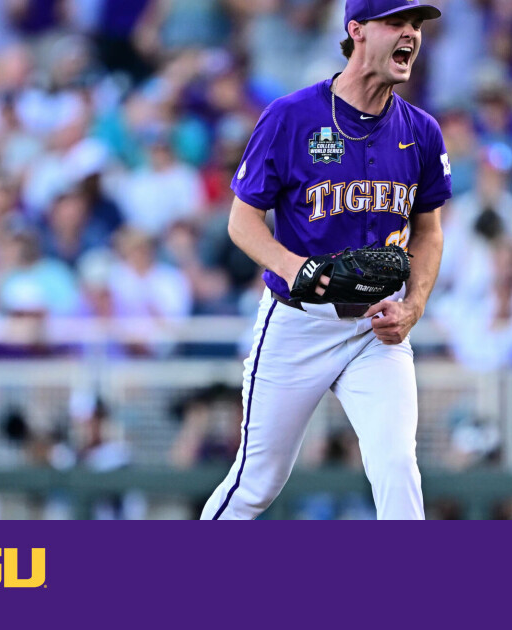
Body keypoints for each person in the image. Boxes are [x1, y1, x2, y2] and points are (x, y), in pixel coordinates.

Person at [201, 0, 450, 520]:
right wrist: (294, 267)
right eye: (396, 22)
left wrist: (414, 307)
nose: (410, 34)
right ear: (356, 30)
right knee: (255, 483)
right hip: (299, 322)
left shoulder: (422, 130)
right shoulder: (292, 117)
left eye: (416, 24)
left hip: (376, 330)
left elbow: (429, 231)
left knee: (397, 466)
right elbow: (242, 222)